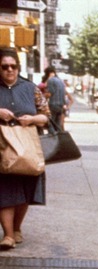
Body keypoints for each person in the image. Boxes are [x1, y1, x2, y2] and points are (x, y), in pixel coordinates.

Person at [0, 49, 51, 250]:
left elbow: (46, 116)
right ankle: (8, 235)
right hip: (3, 147)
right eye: (4, 67)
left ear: (18, 67)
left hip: (28, 146)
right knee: (5, 190)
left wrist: (32, 119)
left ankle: (16, 228)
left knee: (25, 191)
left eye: (13, 66)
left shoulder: (31, 89)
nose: (9, 70)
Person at [44, 66, 70, 131]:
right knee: (58, 125)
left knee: (51, 124)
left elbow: (50, 93)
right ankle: (58, 138)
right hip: (61, 105)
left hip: (53, 105)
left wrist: (43, 96)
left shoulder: (50, 80)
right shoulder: (61, 81)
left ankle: (52, 138)